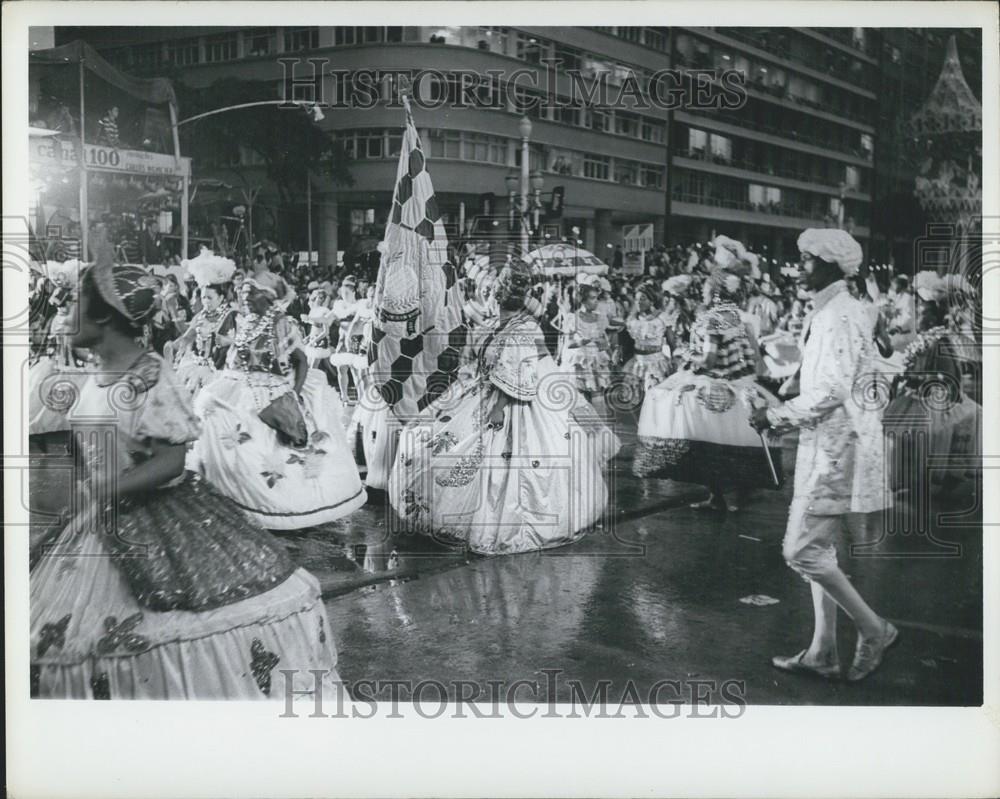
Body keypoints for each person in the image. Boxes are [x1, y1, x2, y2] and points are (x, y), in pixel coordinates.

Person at [30, 235, 343, 699]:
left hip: (156, 521)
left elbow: (171, 461)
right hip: (97, 522)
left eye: (74, 303)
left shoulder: (150, 374)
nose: (63, 311)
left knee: (173, 632)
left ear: (102, 317)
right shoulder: (90, 376)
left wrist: (104, 489)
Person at [389, 259, 620, 555]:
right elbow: (474, 363)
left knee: (498, 465)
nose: (500, 295)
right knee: (427, 441)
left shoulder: (526, 328)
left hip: (512, 405)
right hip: (481, 393)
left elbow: (523, 377)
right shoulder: (489, 324)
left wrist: (496, 407)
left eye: (507, 289)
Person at [752, 228, 897, 683]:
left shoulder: (838, 315)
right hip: (830, 441)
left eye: (808, 259)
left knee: (799, 550)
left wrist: (776, 416)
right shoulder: (841, 310)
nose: (800, 267)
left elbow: (833, 389)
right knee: (820, 548)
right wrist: (785, 385)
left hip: (836, 446)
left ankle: (874, 630)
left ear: (834, 265)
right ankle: (822, 652)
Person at [190, 279, 367, 530]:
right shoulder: (246, 321)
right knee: (212, 412)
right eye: (242, 294)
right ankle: (229, 495)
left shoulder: (284, 323)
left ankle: (281, 508)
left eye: (251, 294)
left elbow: (301, 361)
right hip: (243, 386)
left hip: (275, 390)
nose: (245, 299)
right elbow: (237, 359)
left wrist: (292, 395)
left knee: (272, 450)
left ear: (268, 296)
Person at [633, 236, 782, 513]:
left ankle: (719, 498)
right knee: (723, 444)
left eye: (705, 287)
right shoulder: (735, 316)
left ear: (714, 291)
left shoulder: (713, 318)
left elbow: (710, 358)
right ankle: (725, 496)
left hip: (713, 384)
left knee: (685, 423)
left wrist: (684, 354)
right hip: (738, 384)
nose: (701, 290)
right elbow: (749, 356)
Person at [169, 250, 238, 398]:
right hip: (197, 365)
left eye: (210, 298)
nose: (205, 302)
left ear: (221, 298)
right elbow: (187, 336)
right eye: (204, 297)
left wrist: (229, 341)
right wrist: (174, 346)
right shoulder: (201, 316)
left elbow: (244, 342)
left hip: (220, 370)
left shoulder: (231, 316)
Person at [558, 281, 613, 403]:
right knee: (581, 395)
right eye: (592, 298)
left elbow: (604, 342)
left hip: (596, 359)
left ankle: (599, 420)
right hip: (580, 360)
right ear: (582, 300)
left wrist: (605, 346)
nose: (596, 301)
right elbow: (568, 344)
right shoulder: (573, 318)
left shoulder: (600, 318)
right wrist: (584, 341)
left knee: (597, 394)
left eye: (597, 298)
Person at [620, 281, 672, 406]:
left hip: (656, 363)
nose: (638, 302)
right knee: (637, 400)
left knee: (656, 401)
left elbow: (672, 343)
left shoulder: (661, 318)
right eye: (636, 299)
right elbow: (626, 342)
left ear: (652, 301)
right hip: (637, 364)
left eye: (643, 299)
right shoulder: (633, 320)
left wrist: (674, 361)